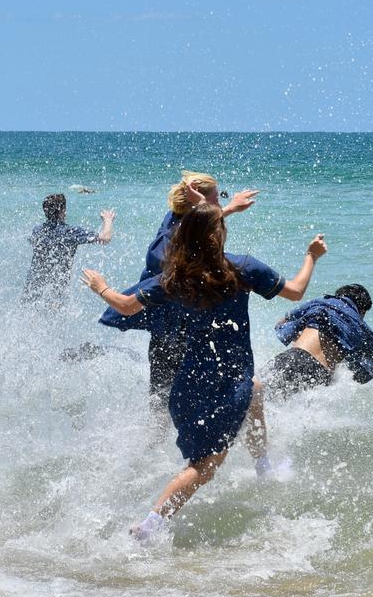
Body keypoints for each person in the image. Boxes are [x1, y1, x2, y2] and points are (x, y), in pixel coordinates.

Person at [84, 199, 326, 541]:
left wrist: (101, 287)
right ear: (219, 233)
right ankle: (149, 527)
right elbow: (297, 290)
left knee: (256, 394)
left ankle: (262, 465)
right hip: (229, 381)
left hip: (189, 381)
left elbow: (125, 307)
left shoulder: (174, 278)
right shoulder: (242, 269)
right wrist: (311, 257)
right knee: (205, 465)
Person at [99, 171, 258, 418]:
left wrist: (222, 209)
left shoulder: (178, 218)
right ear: (195, 197)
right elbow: (183, 253)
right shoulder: (170, 236)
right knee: (166, 396)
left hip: (183, 322)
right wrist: (228, 209)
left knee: (178, 394)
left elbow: (196, 230)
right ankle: (160, 448)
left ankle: (167, 442)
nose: (217, 203)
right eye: (214, 197)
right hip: (171, 327)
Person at [262, 284, 373, 400]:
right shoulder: (363, 330)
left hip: (294, 358)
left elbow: (281, 323)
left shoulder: (320, 303)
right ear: (362, 310)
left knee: (252, 401)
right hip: (321, 377)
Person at [21, 193, 114, 306]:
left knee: (30, 317)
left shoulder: (37, 231)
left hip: (33, 285)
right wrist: (108, 220)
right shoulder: (70, 232)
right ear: (62, 211)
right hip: (56, 289)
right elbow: (105, 238)